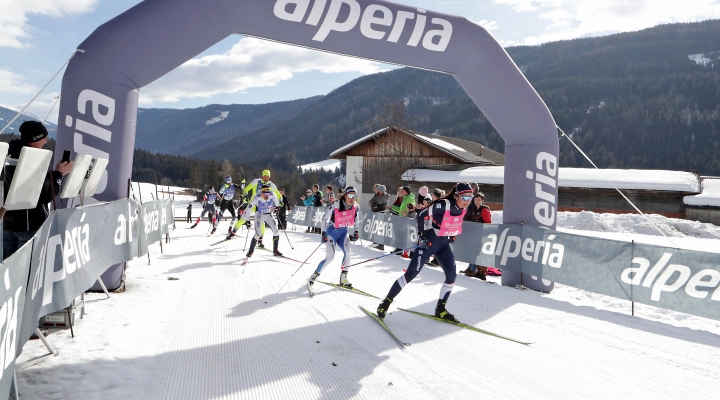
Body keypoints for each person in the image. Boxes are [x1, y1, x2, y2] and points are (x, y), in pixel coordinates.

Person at [376, 183, 474, 321]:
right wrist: (422, 235)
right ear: (457, 196)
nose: (468, 201)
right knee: (411, 274)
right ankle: (385, 303)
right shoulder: (443, 204)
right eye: (465, 197)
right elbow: (422, 214)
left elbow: (452, 221)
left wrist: (450, 233)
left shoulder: (464, 207)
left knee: (451, 276)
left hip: (443, 244)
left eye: (471, 197)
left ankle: (440, 308)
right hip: (429, 243)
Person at [3, 121, 73, 259]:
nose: (46, 141)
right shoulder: (31, 158)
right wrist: (59, 174)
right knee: (26, 273)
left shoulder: (13, 154)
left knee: (7, 270)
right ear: (35, 141)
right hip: (29, 224)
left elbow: (27, 183)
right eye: (44, 138)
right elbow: (46, 194)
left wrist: (53, 174)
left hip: (9, 222)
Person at [307, 186, 361, 290]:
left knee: (348, 252)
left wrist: (356, 232)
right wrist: (323, 233)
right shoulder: (336, 205)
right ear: (345, 195)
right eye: (350, 195)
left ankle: (343, 278)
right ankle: (313, 277)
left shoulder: (356, 207)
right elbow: (324, 218)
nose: (352, 198)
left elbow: (357, 220)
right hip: (332, 232)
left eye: (355, 196)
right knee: (330, 257)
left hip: (343, 233)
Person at [227, 169, 282, 242]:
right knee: (243, 219)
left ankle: (260, 240)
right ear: (262, 176)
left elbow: (278, 195)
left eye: (267, 177)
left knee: (262, 224)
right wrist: (245, 197)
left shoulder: (271, 185)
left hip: (263, 207)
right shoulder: (256, 182)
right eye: (265, 176)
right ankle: (233, 232)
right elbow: (246, 189)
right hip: (253, 205)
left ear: (269, 177)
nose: (266, 178)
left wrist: (280, 201)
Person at [245, 184, 283, 257]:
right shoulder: (257, 197)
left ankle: (275, 250)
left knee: (276, 232)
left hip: (268, 215)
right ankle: (250, 251)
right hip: (259, 215)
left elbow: (277, 204)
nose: (266, 195)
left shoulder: (272, 195)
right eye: (265, 193)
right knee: (258, 234)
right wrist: (248, 220)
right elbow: (248, 209)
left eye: (268, 193)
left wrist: (277, 208)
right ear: (261, 192)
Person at [461, 193, 492, 280]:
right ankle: (476, 270)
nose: (477, 201)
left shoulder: (484, 210)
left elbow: (488, 222)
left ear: (482, 200)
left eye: (478, 199)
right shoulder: (473, 209)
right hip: (474, 234)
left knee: (481, 253)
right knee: (475, 252)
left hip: (482, 234)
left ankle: (482, 273)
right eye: (475, 199)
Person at [368, 184, 389, 250]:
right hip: (376, 213)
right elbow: (370, 202)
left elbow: (374, 203)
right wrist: (372, 205)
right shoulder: (377, 195)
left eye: (377, 189)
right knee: (375, 228)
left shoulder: (383, 197)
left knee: (380, 229)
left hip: (381, 214)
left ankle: (381, 245)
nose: (376, 190)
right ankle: (376, 242)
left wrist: (373, 204)